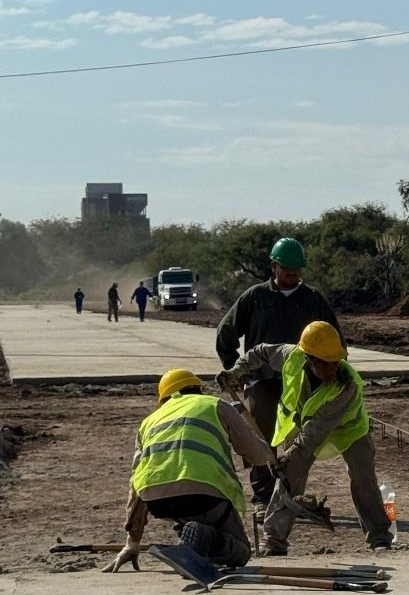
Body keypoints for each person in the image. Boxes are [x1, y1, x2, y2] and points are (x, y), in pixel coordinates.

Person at [217, 320, 392, 555]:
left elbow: (315, 432)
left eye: (336, 362)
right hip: (302, 424)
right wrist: (235, 372)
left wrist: (290, 454)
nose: (333, 368)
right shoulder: (292, 356)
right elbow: (258, 353)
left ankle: (379, 536)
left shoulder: (346, 384)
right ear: (310, 360)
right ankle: (274, 542)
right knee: (289, 478)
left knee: (363, 478)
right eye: (327, 364)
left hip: (348, 429)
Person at [102, 369, 275, 573]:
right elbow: (259, 457)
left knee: (195, 527)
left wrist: (132, 542)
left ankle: (196, 543)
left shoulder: (149, 421)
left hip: (157, 500)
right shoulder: (216, 405)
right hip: (205, 493)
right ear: (199, 390)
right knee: (241, 552)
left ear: (164, 398)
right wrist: (241, 421)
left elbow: (137, 481)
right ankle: (203, 537)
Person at [215, 237, 340, 513]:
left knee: (298, 442)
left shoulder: (313, 299)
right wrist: (236, 369)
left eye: (297, 270)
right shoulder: (255, 298)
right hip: (263, 381)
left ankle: (290, 495)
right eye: (287, 270)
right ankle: (262, 499)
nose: (293, 275)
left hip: (303, 384)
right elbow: (226, 334)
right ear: (274, 266)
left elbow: (334, 338)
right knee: (262, 439)